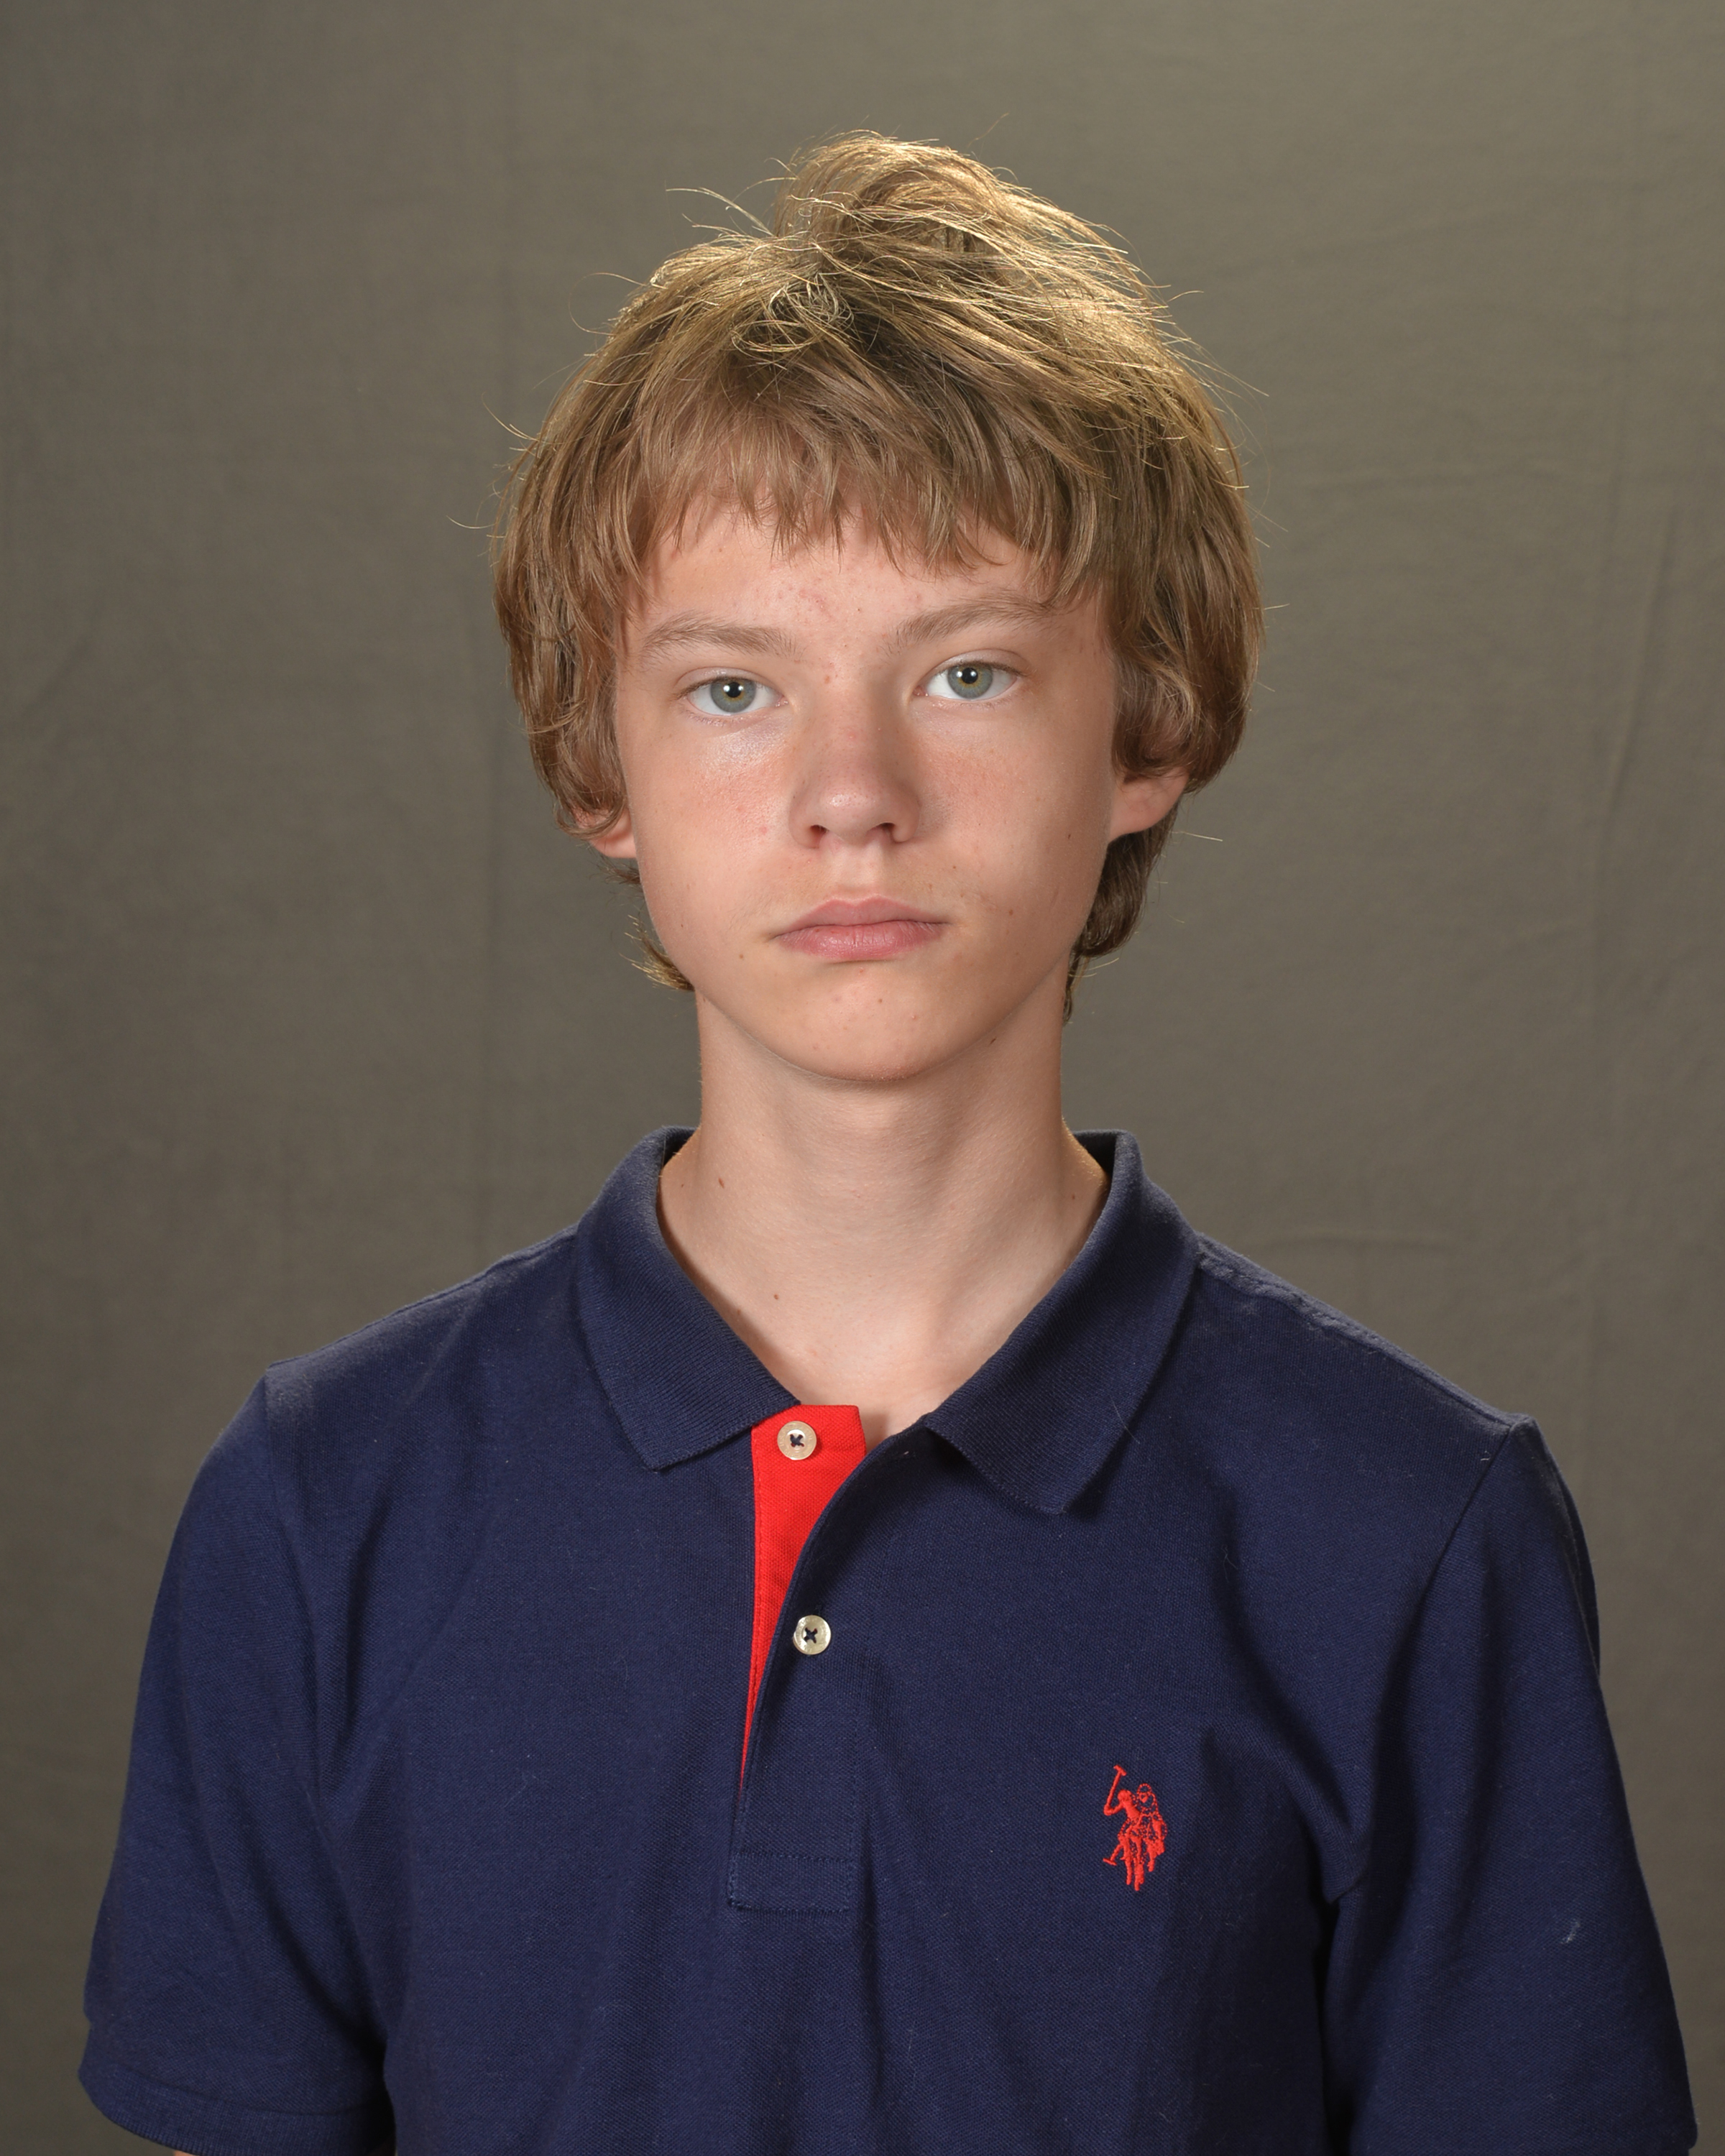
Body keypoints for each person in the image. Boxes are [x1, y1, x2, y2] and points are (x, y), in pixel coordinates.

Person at [81, 134, 1694, 2156]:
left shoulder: (1412, 1536)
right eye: (733, 687)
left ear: (1148, 730)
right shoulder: (325, 1512)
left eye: (967, 670)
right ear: (599, 763)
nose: (853, 791)